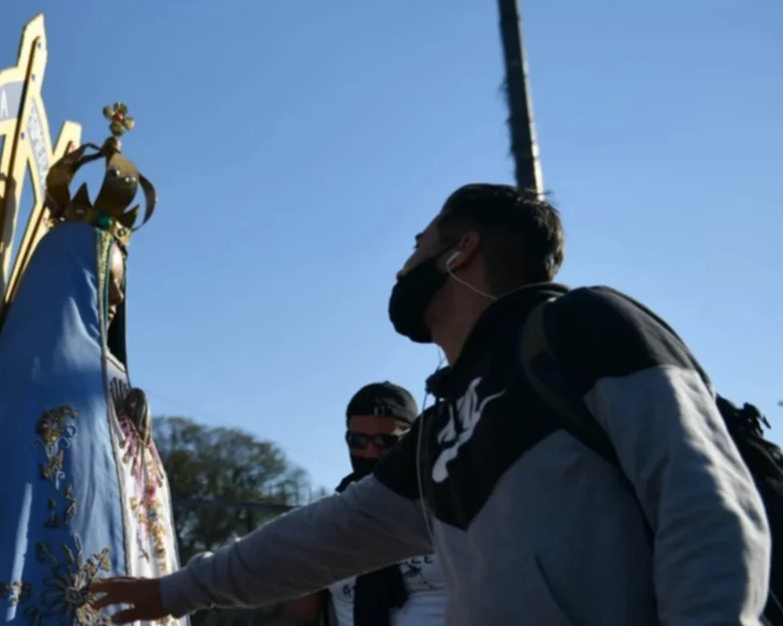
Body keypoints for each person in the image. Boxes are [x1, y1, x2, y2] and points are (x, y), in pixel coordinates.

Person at [91, 184, 770, 626]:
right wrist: (175, 590)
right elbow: (326, 535)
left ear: (458, 251)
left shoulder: (587, 324)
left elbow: (705, 501)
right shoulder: (441, 426)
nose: (401, 266)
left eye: (417, 245)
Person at [0, 209, 184, 625]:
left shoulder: (109, 376)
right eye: (108, 283)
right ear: (71, 281)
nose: (119, 299)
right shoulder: (35, 376)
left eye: (122, 286)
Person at [281, 382, 446, 626]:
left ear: (413, 441)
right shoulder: (327, 521)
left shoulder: (449, 509)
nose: (369, 453)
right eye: (358, 441)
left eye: (385, 441)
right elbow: (300, 617)